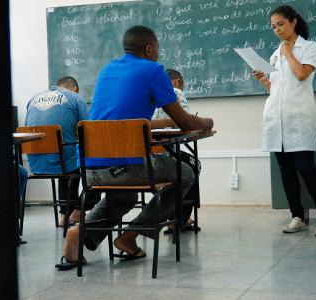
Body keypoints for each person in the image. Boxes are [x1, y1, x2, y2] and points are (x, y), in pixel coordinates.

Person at [58, 25, 213, 269]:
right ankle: (130, 236)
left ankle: (82, 231)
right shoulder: (153, 70)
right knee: (187, 174)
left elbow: (124, 121)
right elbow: (185, 121)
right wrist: (206, 122)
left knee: (126, 195)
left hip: (89, 166)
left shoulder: (107, 69)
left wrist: (164, 121)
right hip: (125, 165)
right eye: (158, 49)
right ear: (149, 49)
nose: (159, 54)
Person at [251, 5, 316, 236]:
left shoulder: (309, 47)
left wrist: (289, 52)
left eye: (281, 24)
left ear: (293, 22)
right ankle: (297, 216)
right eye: (273, 26)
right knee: (285, 170)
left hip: (299, 118)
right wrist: (264, 80)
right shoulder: (275, 53)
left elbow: (302, 74)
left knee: (306, 168)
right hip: (276, 119)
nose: (277, 30)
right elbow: (276, 90)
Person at [24, 76, 89, 227]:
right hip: (64, 163)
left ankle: (64, 215)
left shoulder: (33, 99)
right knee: (82, 161)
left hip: (35, 165)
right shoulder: (75, 98)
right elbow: (88, 129)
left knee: (65, 157)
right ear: (73, 89)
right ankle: (78, 209)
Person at [151, 69, 199, 233]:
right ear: (177, 82)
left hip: (147, 154)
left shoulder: (149, 94)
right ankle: (179, 220)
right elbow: (187, 125)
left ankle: (174, 217)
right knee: (194, 165)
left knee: (182, 166)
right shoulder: (175, 92)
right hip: (164, 154)